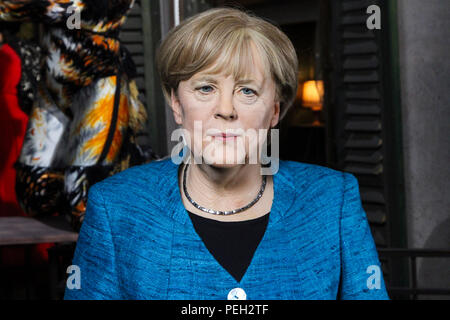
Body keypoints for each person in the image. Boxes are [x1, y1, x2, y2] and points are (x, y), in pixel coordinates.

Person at [64, 8, 389, 300]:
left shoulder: (333, 199)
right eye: (206, 88)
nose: (225, 110)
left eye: (247, 91)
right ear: (177, 105)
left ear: (274, 111)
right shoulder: (116, 207)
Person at [0, 0, 154, 231]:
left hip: (98, 78)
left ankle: (139, 172)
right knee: (34, 193)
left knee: (82, 203)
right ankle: (124, 170)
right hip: (56, 79)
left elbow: (67, 8)